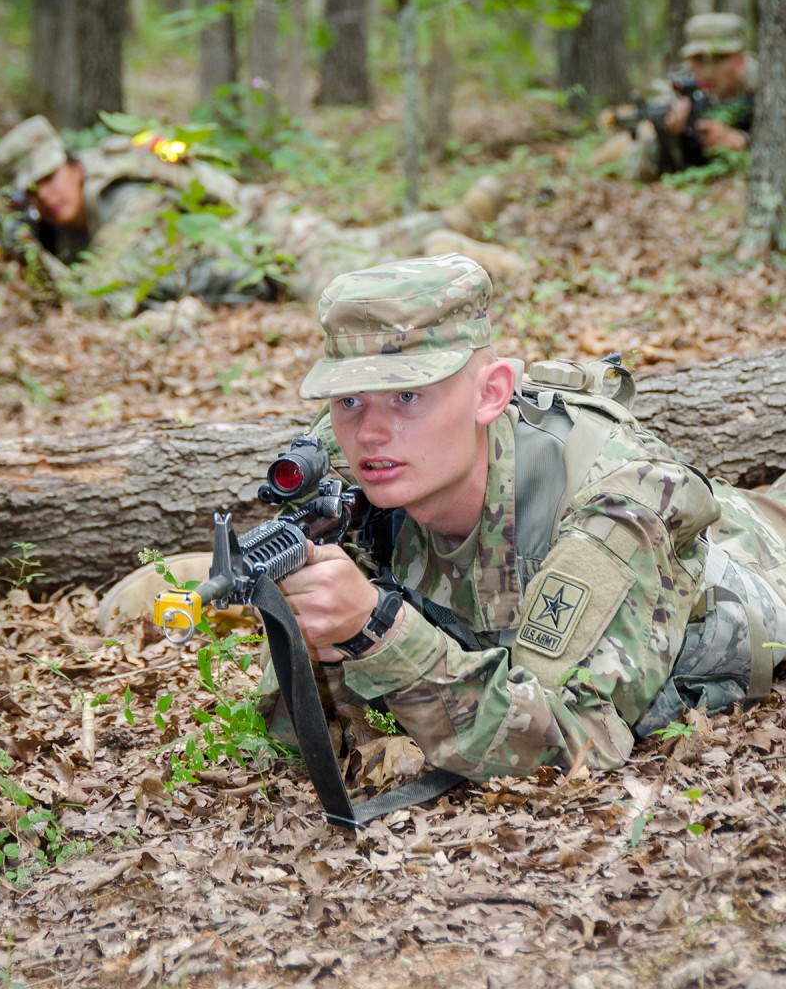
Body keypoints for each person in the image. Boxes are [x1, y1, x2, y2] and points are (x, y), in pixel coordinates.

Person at [257, 252, 786, 780]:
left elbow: (572, 747)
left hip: (758, 550)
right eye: (349, 399)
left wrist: (377, 631)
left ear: (492, 394)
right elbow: (294, 733)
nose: (369, 432)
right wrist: (304, 638)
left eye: (407, 395)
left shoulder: (613, 514)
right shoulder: (342, 474)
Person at [0, 115, 521, 316]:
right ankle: (454, 219)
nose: (48, 195)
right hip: (262, 235)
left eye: (51, 177)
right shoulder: (65, 223)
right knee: (363, 240)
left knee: (350, 290)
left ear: (74, 166)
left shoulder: (125, 197)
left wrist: (30, 258)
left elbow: (93, 297)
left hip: (268, 241)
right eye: (33, 191)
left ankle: (455, 253)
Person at [619, 12, 756, 182]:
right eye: (699, 59)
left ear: (741, 58)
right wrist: (669, 134)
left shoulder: (765, 87)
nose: (708, 71)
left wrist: (744, 141)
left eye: (719, 58)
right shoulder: (679, 88)